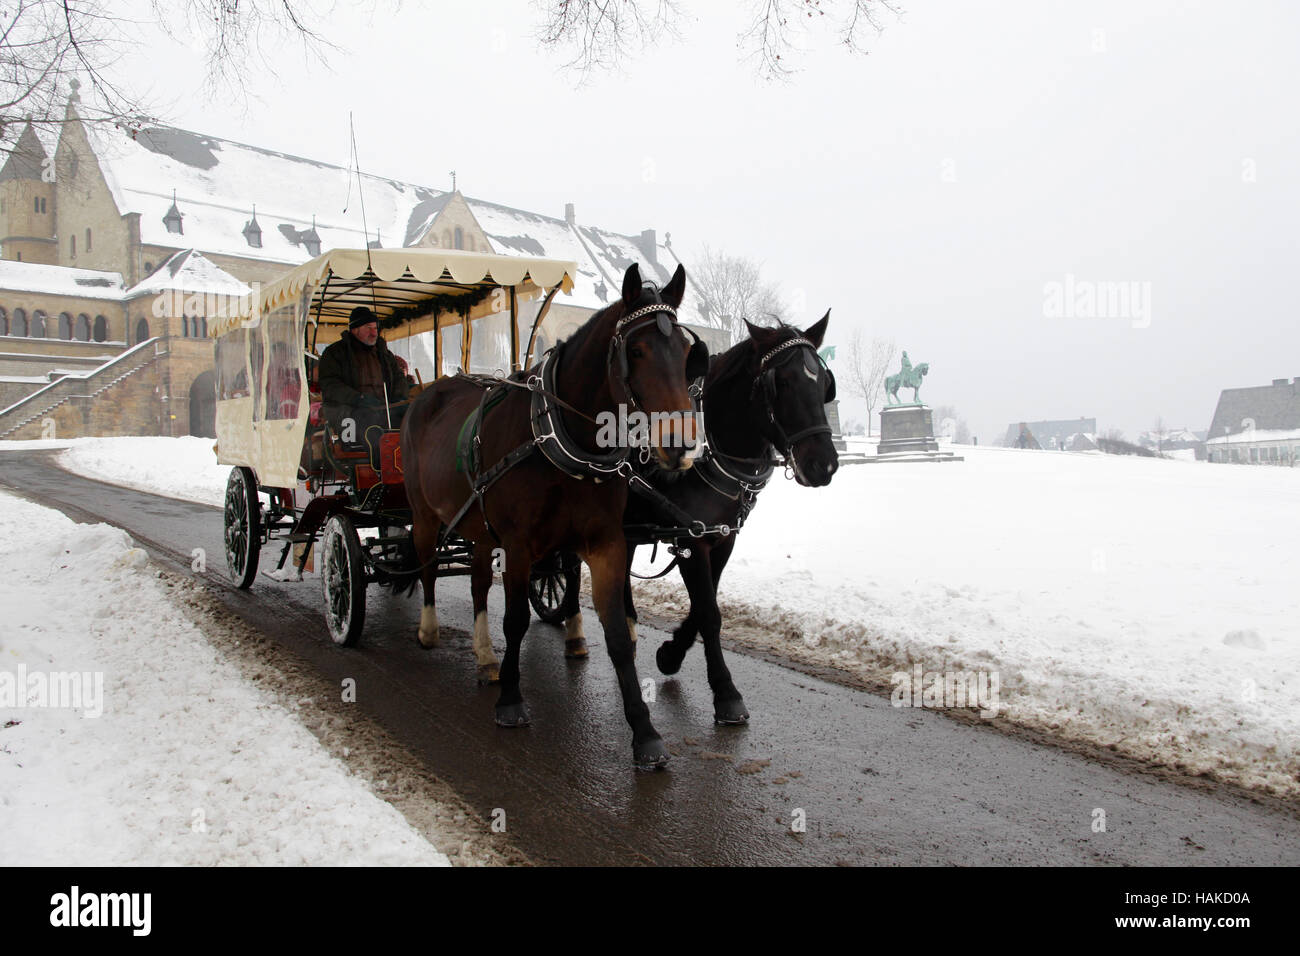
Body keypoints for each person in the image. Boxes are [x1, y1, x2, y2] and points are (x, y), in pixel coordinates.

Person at [318, 306, 413, 446]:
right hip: (348, 410)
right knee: (369, 422)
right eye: (369, 328)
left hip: (384, 408)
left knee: (411, 417)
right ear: (355, 329)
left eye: (375, 328)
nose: (374, 333)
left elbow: (399, 377)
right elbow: (330, 385)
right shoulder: (334, 353)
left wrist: (398, 398)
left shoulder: (385, 354)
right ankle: (380, 464)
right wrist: (358, 398)